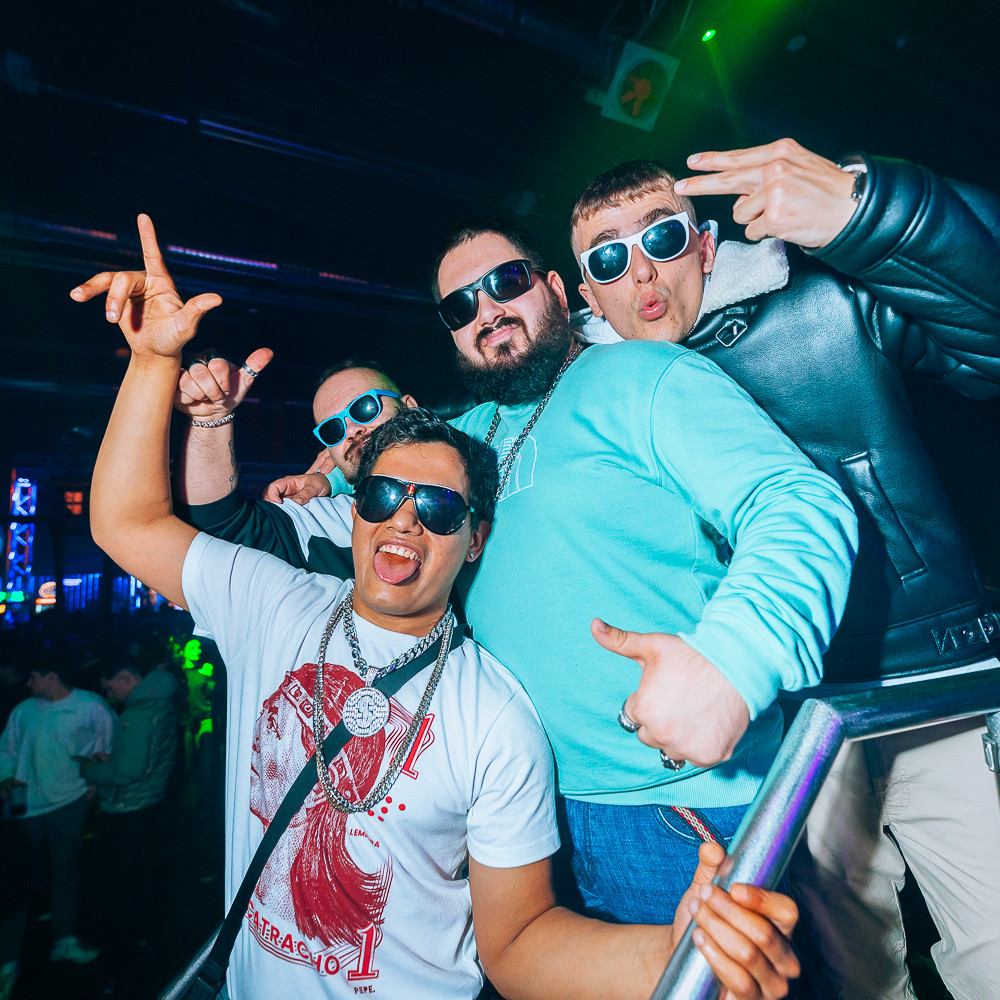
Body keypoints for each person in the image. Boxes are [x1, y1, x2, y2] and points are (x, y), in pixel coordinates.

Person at [75, 213, 803, 1000]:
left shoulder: (494, 714)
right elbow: (142, 522)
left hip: (675, 805)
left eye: (439, 508)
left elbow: (519, 946)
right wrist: (156, 365)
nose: (406, 518)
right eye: (381, 495)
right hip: (567, 812)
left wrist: (734, 661)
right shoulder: (280, 602)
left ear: (476, 537)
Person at [568, 139, 1000, 1000]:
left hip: (923, 680)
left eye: (661, 237)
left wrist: (868, 210)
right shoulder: (589, 408)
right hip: (783, 727)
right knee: (857, 973)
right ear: (588, 293)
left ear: (704, 246)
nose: (641, 272)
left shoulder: (823, 297)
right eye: (608, 258)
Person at [175, 355, 417, 578]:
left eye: (364, 408)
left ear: (410, 406)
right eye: (333, 430)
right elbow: (223, 528)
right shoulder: (328, 523)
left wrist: (332, 480)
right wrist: (211, 418)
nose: (351, 431)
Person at [0, 657, 113, 996]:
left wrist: (95, 784)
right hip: (25, 808)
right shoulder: (24, 710)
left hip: (69, 803)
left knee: (65, 873)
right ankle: (8, 961)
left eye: (34, 676)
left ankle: (63, 941)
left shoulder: (91, 706)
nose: (28, 683)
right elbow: (7, 749)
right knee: (17, 881)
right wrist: (5, 778)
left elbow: (107, 747)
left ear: (51, 676)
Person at [80, 644, 179, 990]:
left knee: (115, 891)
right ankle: (144, 944)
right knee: (142, 881)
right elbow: (148, 758)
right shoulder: (161, 701)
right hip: (151, 803)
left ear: (126, 678)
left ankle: (120, 963)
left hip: (127, 813)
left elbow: (128, 771)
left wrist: (91, 771)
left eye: (110, 687)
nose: (109, 695)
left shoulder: (138, 713)